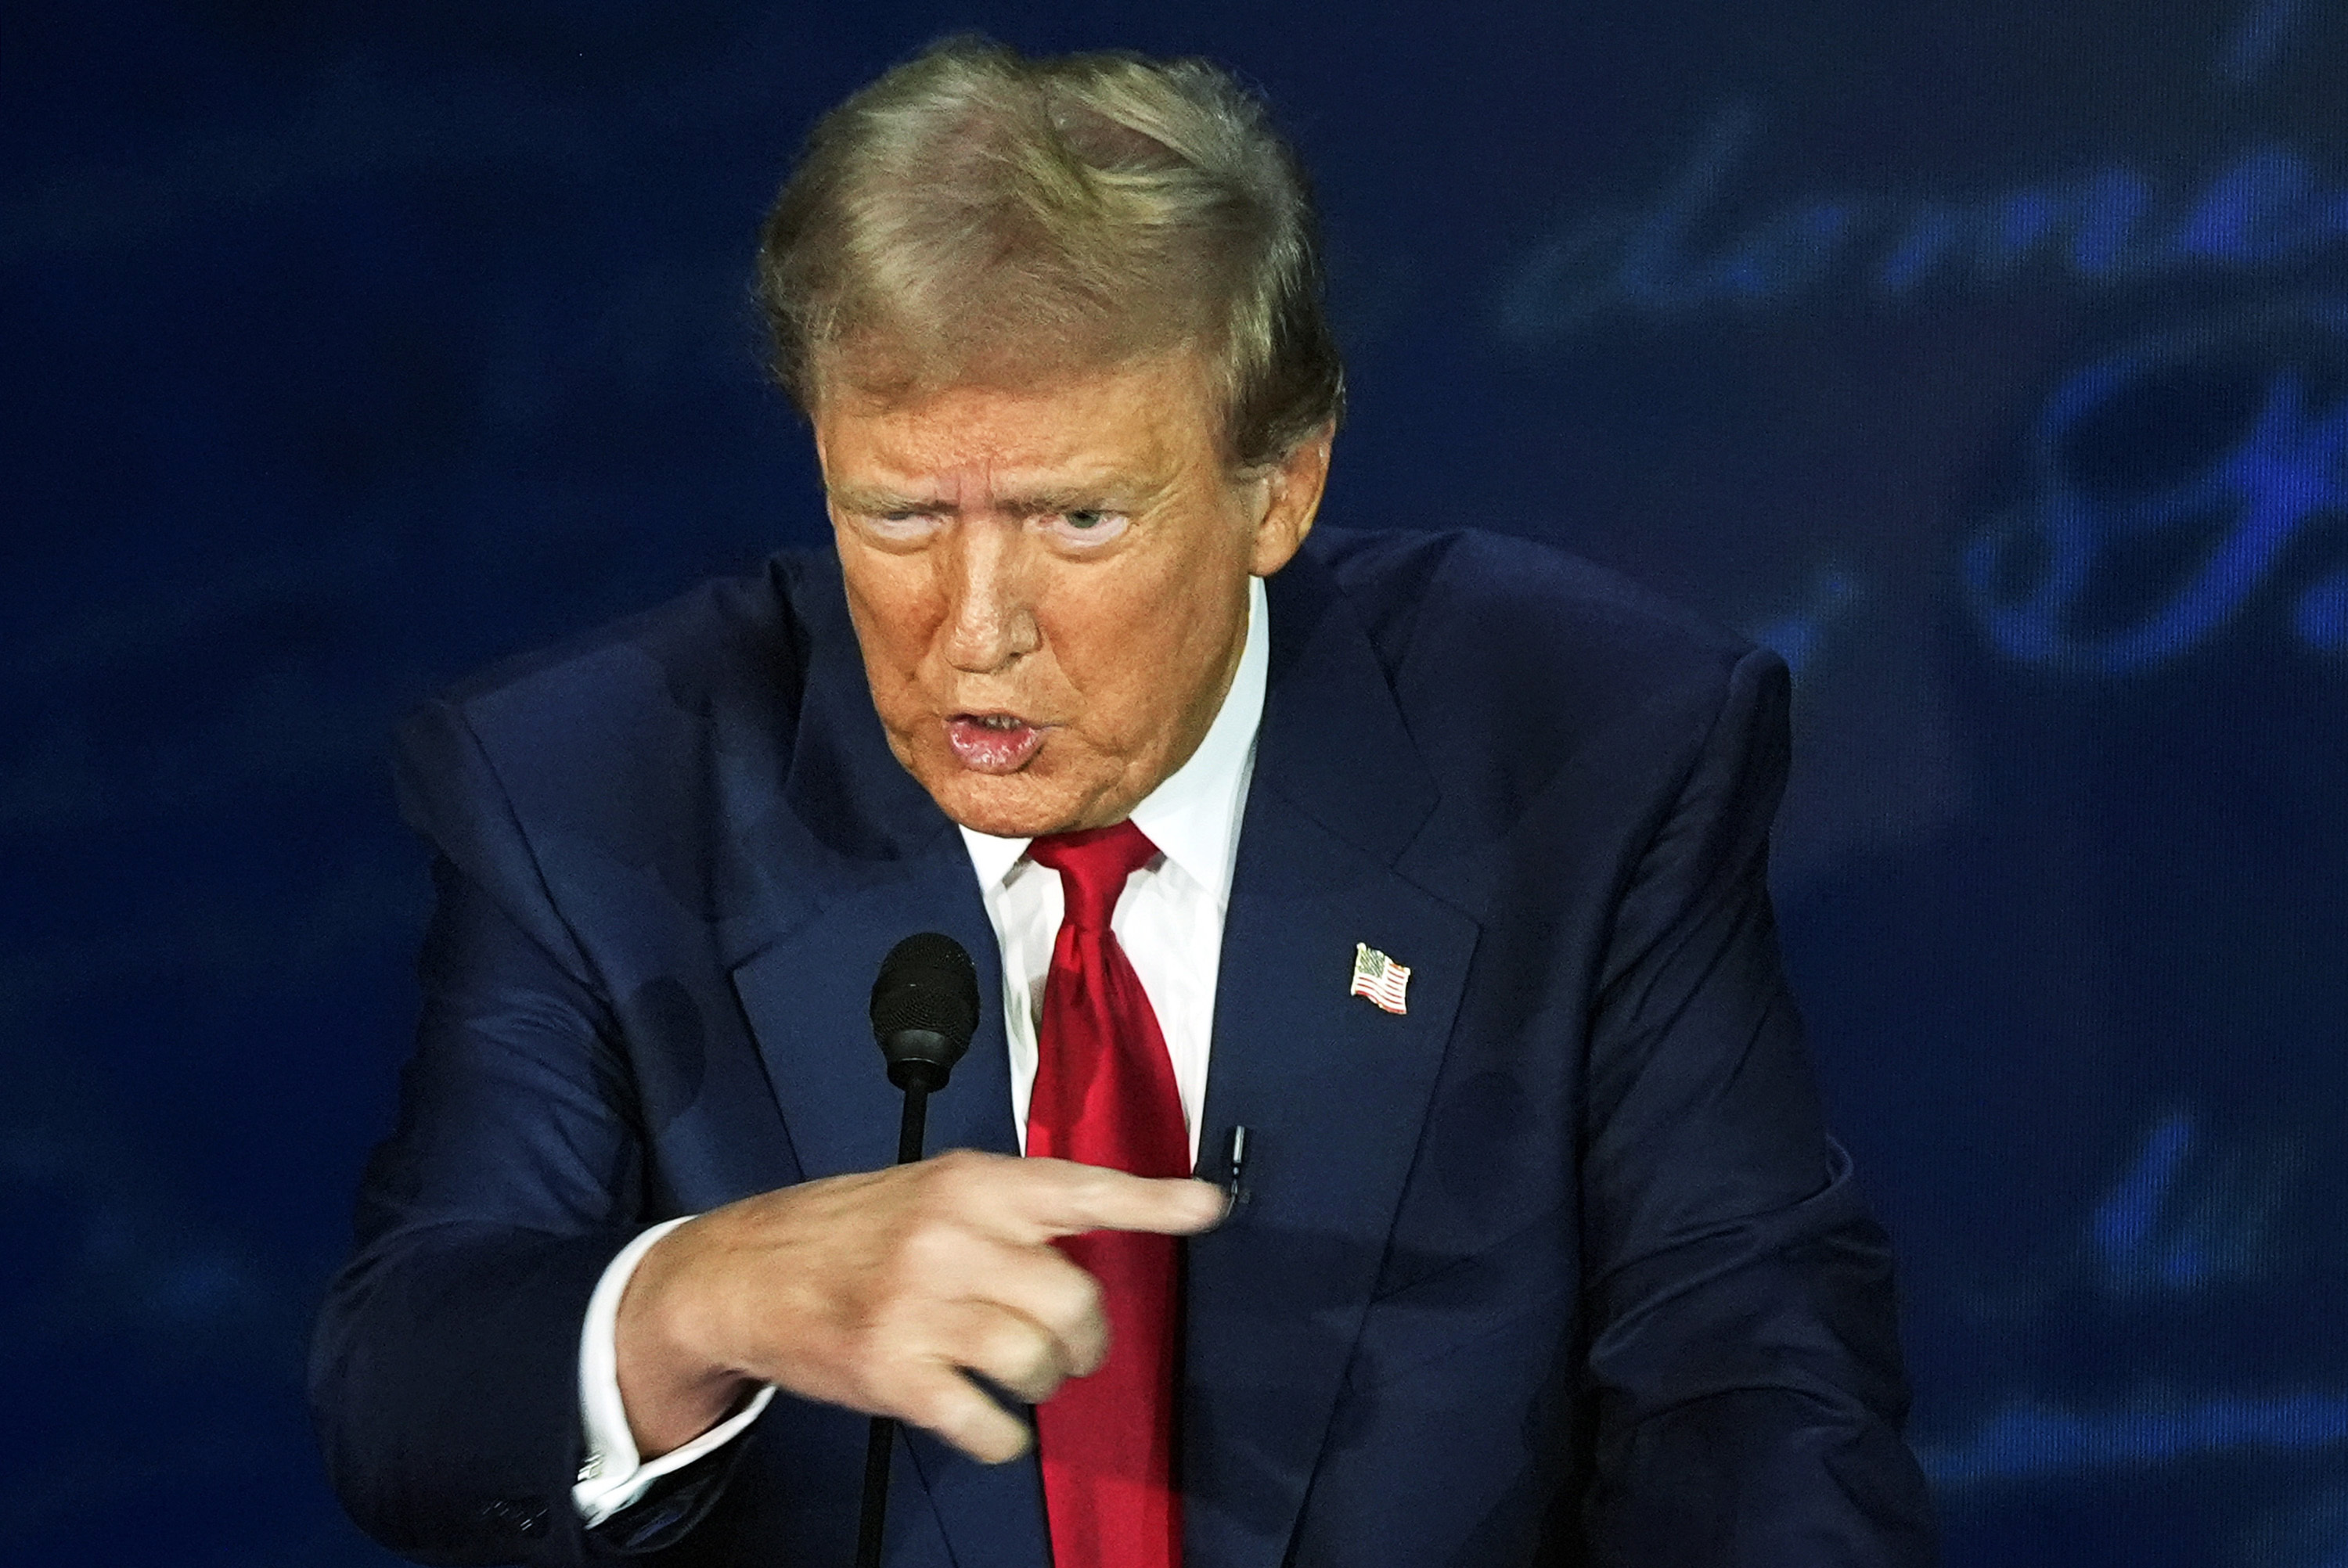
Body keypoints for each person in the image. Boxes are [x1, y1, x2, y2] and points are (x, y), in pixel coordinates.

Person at [312, 37, 1938, 1568]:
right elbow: (406, 1380)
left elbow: (1750, 1381)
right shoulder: (599, 789)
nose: (973, 627)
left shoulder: (1580, 745)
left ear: (1278, 485)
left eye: (1077, 517)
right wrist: (694, 1297)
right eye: (893, 515)